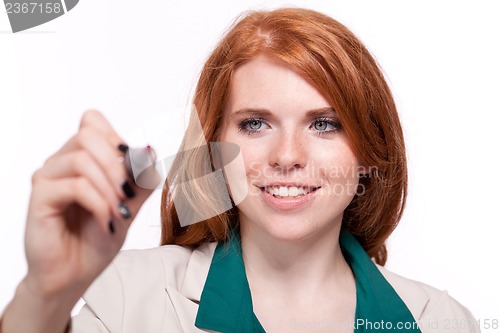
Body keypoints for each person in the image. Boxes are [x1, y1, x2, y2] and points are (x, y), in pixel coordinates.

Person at [0, 7, 480, 333]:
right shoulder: (128, 299)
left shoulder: (441, 320)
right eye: (254, 123)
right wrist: (43, 294)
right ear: (214, 149)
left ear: (368, 152)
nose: (287, 155)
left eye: (324, 124)